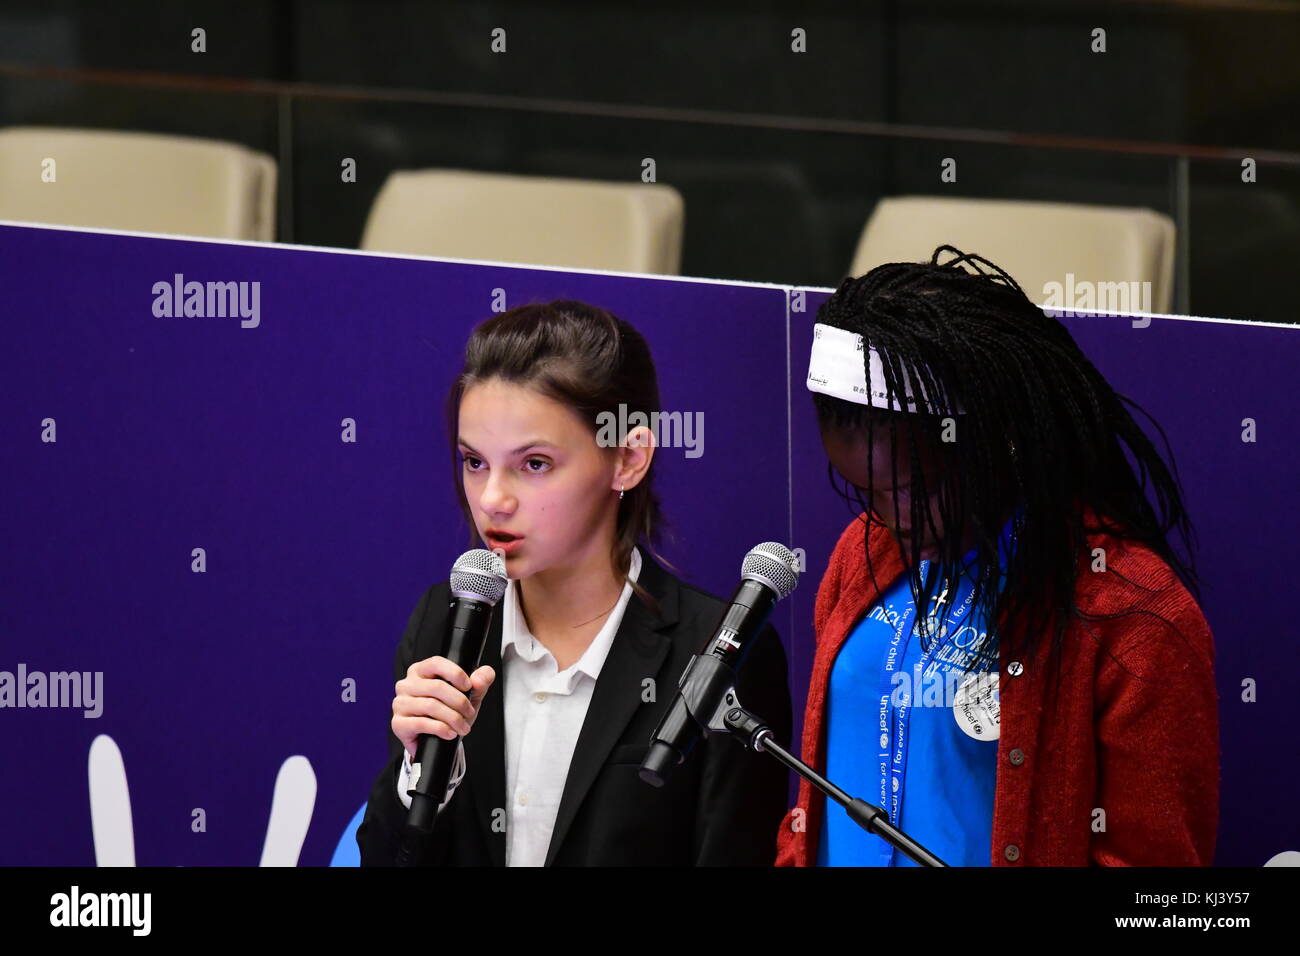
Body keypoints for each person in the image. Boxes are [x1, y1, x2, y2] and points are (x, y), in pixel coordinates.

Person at [778, 246, 1219, 867]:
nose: (894, 519)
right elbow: (811, 807)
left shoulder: (1131, 612)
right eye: (867, 492)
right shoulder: (863, 550)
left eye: (917, 490)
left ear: (997, 441)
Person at [357, 300, 792, 866]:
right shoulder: (445, 621)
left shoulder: (718, 647)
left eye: (534, 463)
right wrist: (417, 773)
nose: (492, 499)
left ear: (628, 460)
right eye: (473, 461)